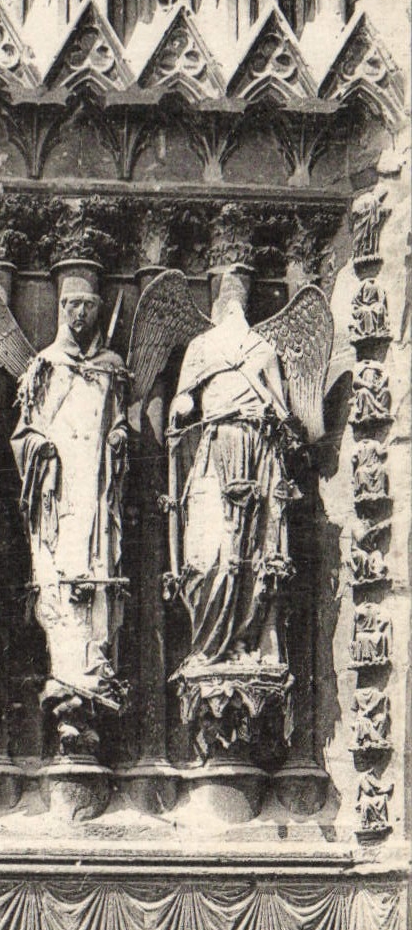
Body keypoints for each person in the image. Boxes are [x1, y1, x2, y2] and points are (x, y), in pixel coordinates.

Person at [12, 266, 128, 748]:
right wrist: (40, 450)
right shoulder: (44, 366)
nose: (80, 315)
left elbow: (119, 421)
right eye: (71, 305)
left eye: (89, 306)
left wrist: (120, 436)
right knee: (59, 582)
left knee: (98, 575)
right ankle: (66, 677)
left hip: (98, 493)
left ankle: (94, 675)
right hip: (58, 494)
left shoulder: (110, 367)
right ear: (60, 310)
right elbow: (24, 432)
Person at [167, 267, 298, 665]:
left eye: (238, 303)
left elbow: (283, 409)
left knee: (252, 549)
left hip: (256, 453)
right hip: (215, 448)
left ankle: (243, 639)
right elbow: (181, 401)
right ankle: (209, 644)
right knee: (212, 549)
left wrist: (265, 406)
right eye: (230, 303)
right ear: (220, 306)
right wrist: (182, 406)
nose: (233, 310)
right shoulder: (201, 347)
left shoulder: (263, 349)